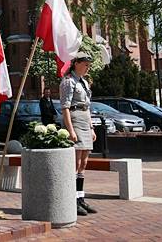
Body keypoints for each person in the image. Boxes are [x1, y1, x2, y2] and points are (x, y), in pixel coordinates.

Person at [60, 52, 97, 217]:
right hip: (75, 119)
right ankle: (72, 200)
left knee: (84, 163)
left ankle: (80, 198)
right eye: (85, 64)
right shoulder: (68, 82)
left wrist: (91, 127)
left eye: (89, 65)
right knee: (75, 163)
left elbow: (87, 107)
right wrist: (70, 130)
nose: (88, 67)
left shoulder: (84, 82)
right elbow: (65, 107)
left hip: (84, 120)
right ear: (76, 64)